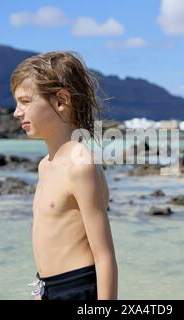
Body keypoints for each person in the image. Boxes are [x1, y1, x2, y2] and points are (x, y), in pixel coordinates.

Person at [11, 51, 118, 300]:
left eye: (25, 101)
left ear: (61, 101)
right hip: (48, 288)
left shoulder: (80, 164)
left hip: (78, 288)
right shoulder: (45, 165)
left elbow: (104, 256)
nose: (17, 112)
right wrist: (40, 290)